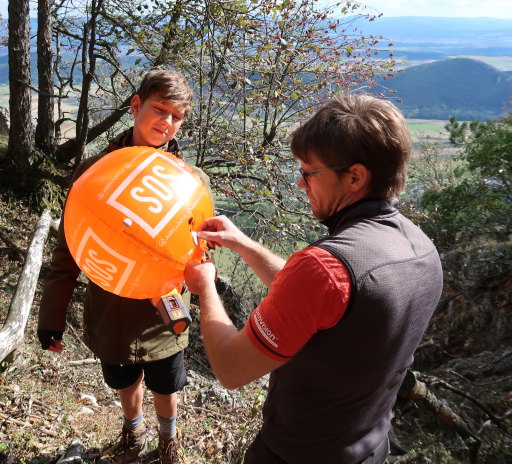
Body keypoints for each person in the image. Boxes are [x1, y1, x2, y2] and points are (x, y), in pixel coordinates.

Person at [184, 94, 443, 464]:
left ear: (355, 176)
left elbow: (231, 367)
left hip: (297, 454)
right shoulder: (421, 249)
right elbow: (324, 306)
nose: (302, 185)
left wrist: (204, 285)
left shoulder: (325, 268)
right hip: (370, 447)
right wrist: (243, 243)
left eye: (308, 172)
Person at [38, 69, 205, 464]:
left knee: (167, 384)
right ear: (136, 106)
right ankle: (134, 436)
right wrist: (51, 317)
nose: (167, 123)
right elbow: (68, 252)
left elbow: (200, 252)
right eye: (160, 110)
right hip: (109, 312)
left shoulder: (191, 183)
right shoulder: (96, 173)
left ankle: (169, 443)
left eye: (177, 117)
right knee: (122, 378)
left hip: (163, 314)